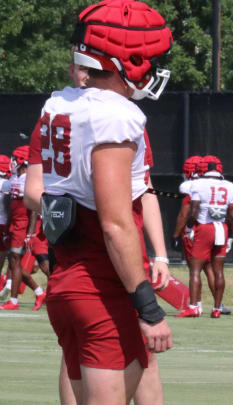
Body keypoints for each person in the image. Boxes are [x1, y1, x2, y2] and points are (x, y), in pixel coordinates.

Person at [23, 1, 173, 403]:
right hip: (101, 283)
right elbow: (115, 222)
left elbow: (45, 193)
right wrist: (148, 307)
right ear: (131, 59)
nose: (156, 67)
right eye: (152, 57)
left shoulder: (59, 105)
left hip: (66, 279)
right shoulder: (114, 114)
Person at [176, 155, 233, 318]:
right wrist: (230, 235)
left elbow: (194, 211)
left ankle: (194, 306)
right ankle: (217, 308)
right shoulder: (230, 186)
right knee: (219, 271)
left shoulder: (197, 184)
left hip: (204, 228)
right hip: (222, 228)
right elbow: (232, 215)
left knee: (195, 270)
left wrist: (189, 228)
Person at [0, 146, 47, 310]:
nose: (12, 162)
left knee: (16, 262)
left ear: (21, 161)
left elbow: (33, 207)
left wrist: (30, 233)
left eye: (14, 158)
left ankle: (16, 300)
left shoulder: (28, 179)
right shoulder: (15, 179)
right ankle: (39, 292)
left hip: (23, 225)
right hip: (15, 224)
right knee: (15, 263)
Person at [0, 154, 13, 297]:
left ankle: (7, 282)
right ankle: (7, 281)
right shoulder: (9, 183)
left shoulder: (8, 184)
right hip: (6, 223)